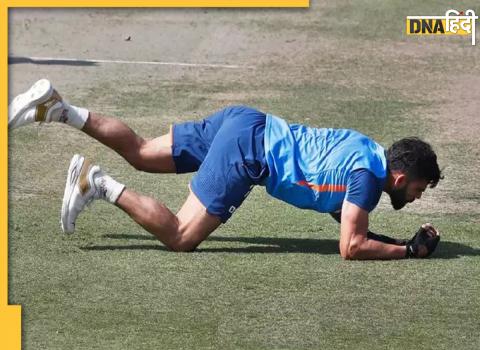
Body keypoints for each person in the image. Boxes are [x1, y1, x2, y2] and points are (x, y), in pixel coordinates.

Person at [9, 79, 442, 260]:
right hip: (249, 151)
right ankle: (97, 183)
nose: (418, 197)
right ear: (401, 179)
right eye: (419, 189)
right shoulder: (367, 180)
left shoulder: (366, 151)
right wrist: (408, 252)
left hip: (246, 119)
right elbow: (351, 246)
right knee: (181, 236)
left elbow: (351, 224)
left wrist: (399, 241)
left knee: (141, 152)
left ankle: (58, 109)